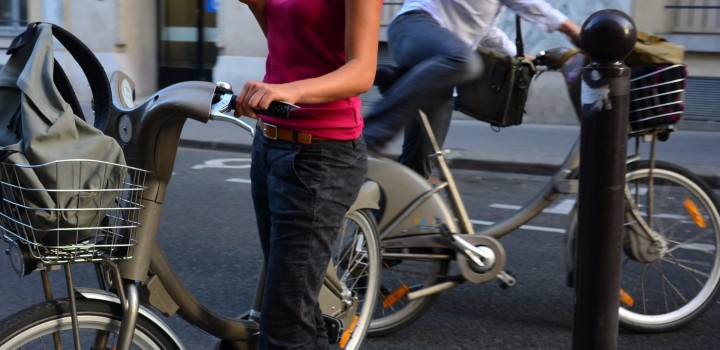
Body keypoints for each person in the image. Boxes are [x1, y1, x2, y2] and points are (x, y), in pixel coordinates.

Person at [234, 1, 381, 349]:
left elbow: (362, 71)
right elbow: (290, 40)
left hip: (321, 156)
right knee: (295, 306)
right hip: (269, 144)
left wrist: (290, 91)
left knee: (283, 322)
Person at [363, 0, 581, 178]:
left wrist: (519, 56)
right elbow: (528, 4)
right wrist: (572, 30)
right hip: (415, 26)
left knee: (422, 161)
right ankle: (376, 130)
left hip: (439, 73)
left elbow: (485, 31)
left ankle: (392, 225)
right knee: (465, 63)